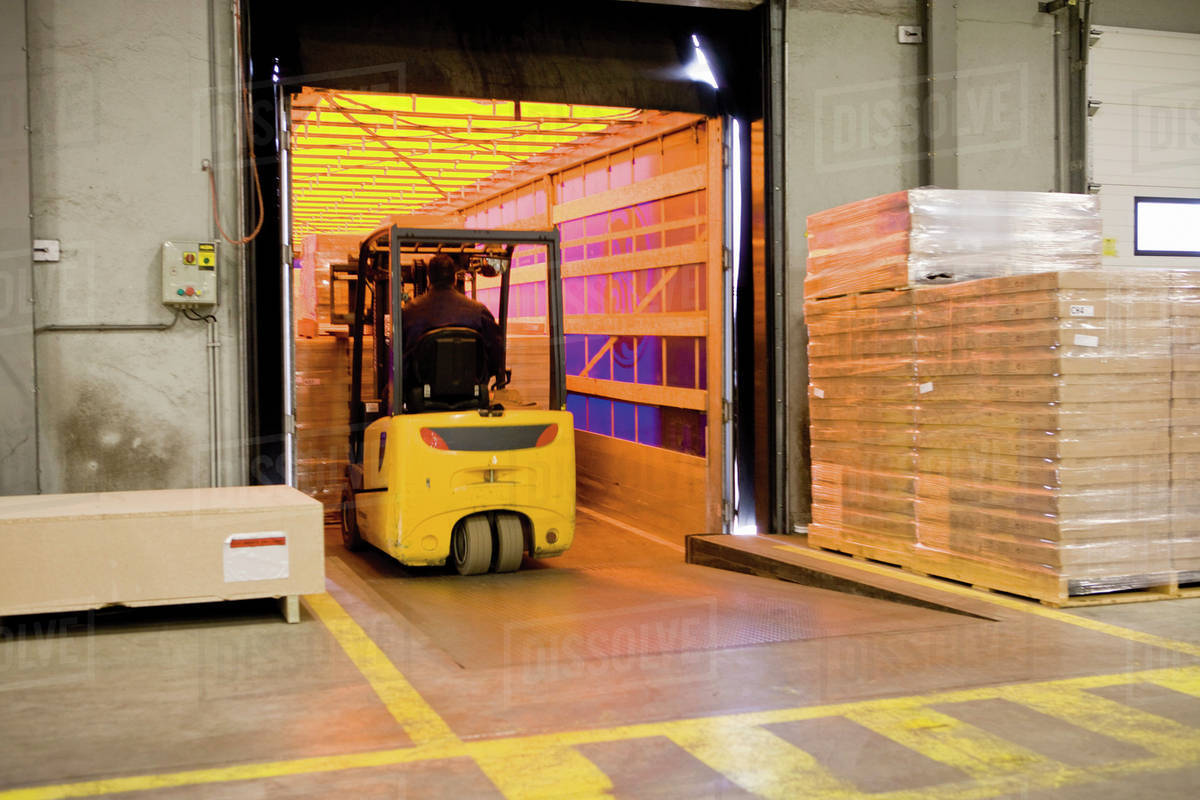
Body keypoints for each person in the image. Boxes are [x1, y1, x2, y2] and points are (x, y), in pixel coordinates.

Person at [401, 253, 503, 384]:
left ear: (428, 279)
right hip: (471, 389)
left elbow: (399, 358)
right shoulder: (479, 312)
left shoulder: (409, 312)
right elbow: (496, 354)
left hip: (421, 394)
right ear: (455, 278)